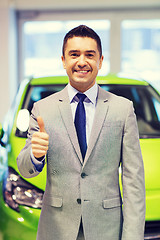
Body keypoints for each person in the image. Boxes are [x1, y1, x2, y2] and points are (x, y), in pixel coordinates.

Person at [17, 25, 145, 240]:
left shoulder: (122, 109)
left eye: (90, 55)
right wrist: (35, 155)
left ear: (100, 61)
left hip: (106, 229)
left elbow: (134, 180)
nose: (82, 61)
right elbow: (25, 169)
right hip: (57, 229)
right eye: (74, 54)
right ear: (64, 60)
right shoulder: (42, 109)